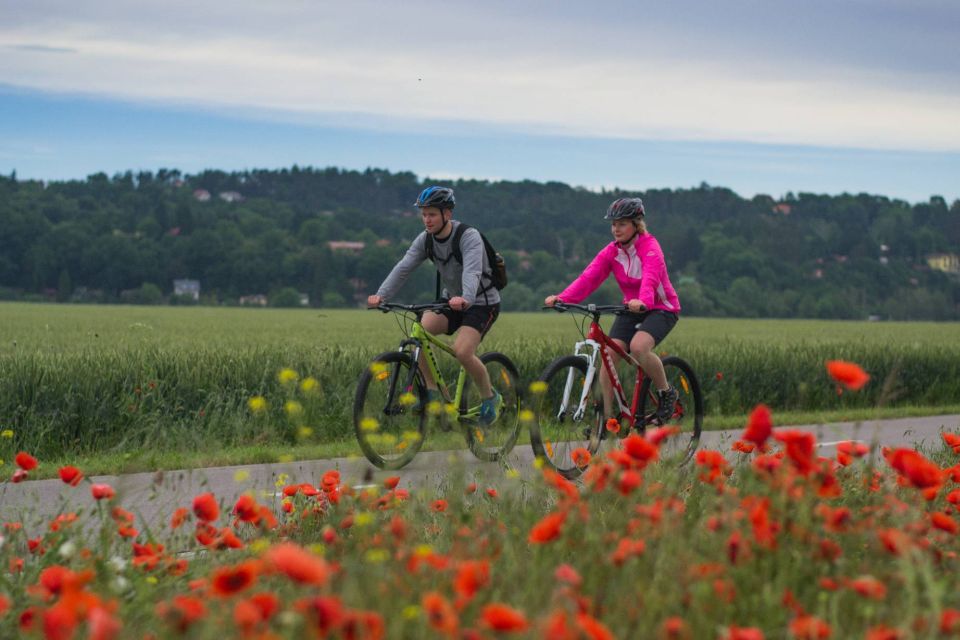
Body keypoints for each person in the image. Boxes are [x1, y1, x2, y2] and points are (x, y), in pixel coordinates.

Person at [367, 186, 503, 424]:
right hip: (451, 300)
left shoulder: (468, 237)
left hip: (481, 302)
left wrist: (466, 299)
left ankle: (490, 398)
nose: (426, 220)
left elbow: (472, 271)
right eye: (423, 214)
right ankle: (431, 393)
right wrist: (381, 295)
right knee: (419, 332)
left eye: (431, 214)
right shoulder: (425, 240)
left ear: (447, 214)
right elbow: (404, 267)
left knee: (462, 351)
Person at [544, 197, 681, 426]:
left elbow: (650, 278)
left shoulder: (650, 247)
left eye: (622, 224)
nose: (616, 229)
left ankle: (666, 392)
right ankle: (606, 422)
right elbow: (589, 278)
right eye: (613, 224)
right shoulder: (611, 252)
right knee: (608, 355)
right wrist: (563, 298)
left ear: (636, 224)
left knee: (638, 347)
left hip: (660, 308)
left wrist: (643, 300)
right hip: (629, 308)